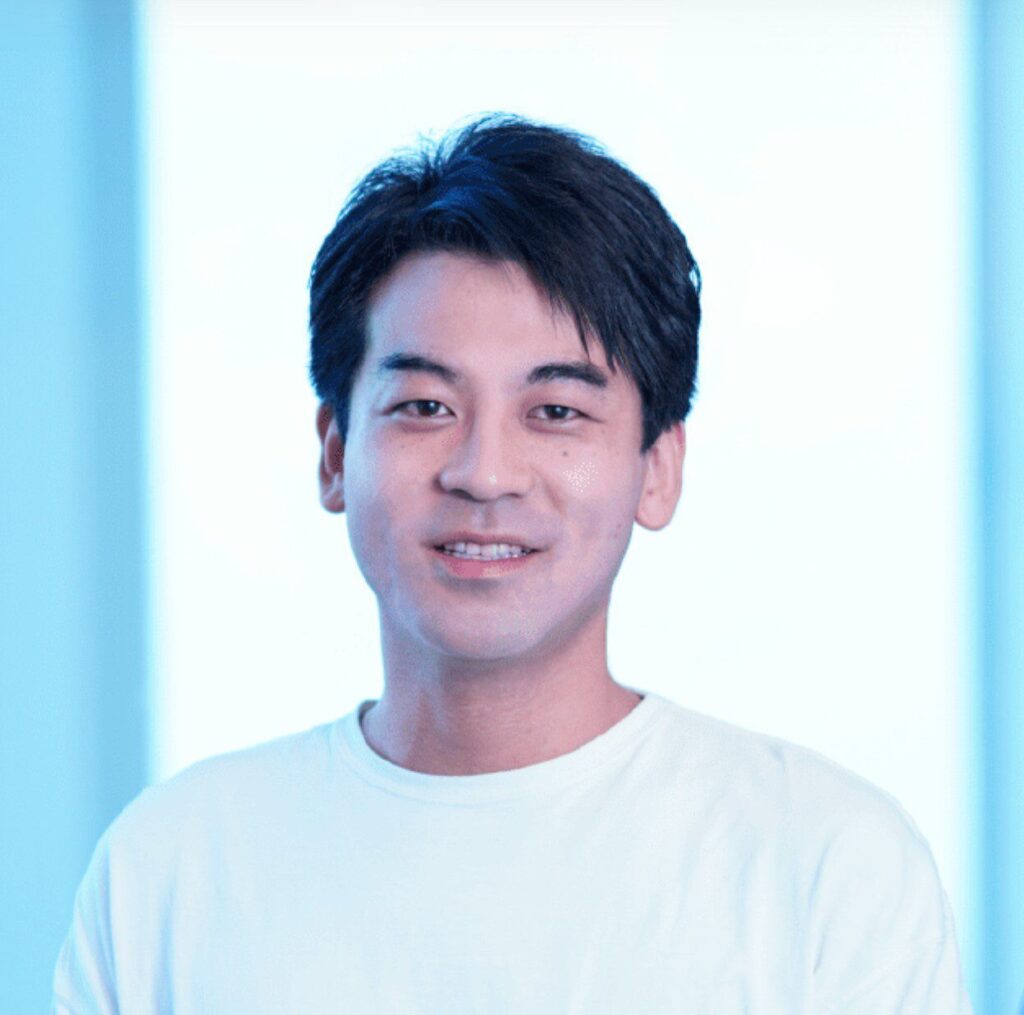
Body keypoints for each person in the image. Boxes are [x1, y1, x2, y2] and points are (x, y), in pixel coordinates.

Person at [53, 113, 972, 1013]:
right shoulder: (170, 871)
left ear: (658, 467)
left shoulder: (826, 867)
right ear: (334, 453)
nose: (484, 472)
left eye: (556, 412)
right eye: (424, 406)